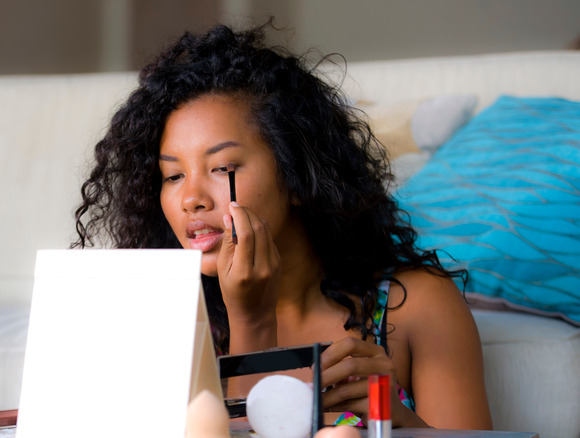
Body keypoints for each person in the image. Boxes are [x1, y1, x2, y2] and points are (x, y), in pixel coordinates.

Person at [73, 21, 492, 430]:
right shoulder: (168, 323)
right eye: (173, 176)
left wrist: (398, 423)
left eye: (221, 167)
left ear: (296, 176)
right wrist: (251, 323)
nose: (191, 199)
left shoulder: (417, 307)